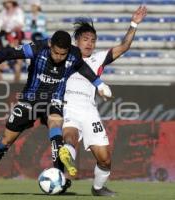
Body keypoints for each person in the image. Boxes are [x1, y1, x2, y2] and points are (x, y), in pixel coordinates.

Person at [0, 30, 112, 194]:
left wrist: (99, 85)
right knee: (6, 141)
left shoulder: (74, 54)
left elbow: (82, 67)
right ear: (50, 45)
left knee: (56, 126)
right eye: (56, 53)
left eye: (62, 54)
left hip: (54, 99)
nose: (59, 57)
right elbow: (7, 52)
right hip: (30, 99)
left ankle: (60, 176)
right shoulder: (37, 48)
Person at [58, 6, 147, 197]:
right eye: (85, 39)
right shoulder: (63, 58)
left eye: (93, 40)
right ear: (76, 41)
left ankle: (97, 188)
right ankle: (66, 164)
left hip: (89, 112)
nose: (89, 43)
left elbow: (124, 46)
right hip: (68, 109)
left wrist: (134, 24)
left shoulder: (98, 59)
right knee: (70, 137)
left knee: (105, 160)